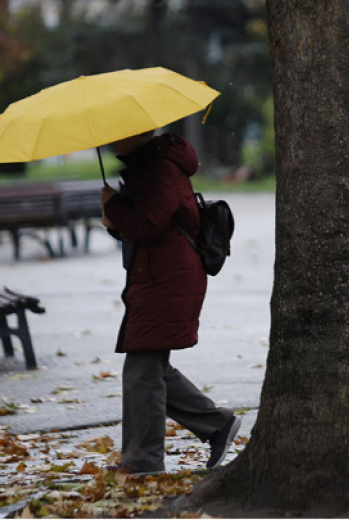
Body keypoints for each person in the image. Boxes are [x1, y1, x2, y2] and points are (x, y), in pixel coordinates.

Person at [100, 130, 241, 474]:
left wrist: (113, 205)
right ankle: (217, 424)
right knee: (151, 368)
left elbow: (149, 224)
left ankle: (142, 463)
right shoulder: (148, 166)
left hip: (167, 279)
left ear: (137, 134)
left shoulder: (159, 168)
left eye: (118, 133)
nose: (112, 140)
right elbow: (148, 223)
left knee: (142, 371)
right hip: (159, 275)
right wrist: (114, 217)